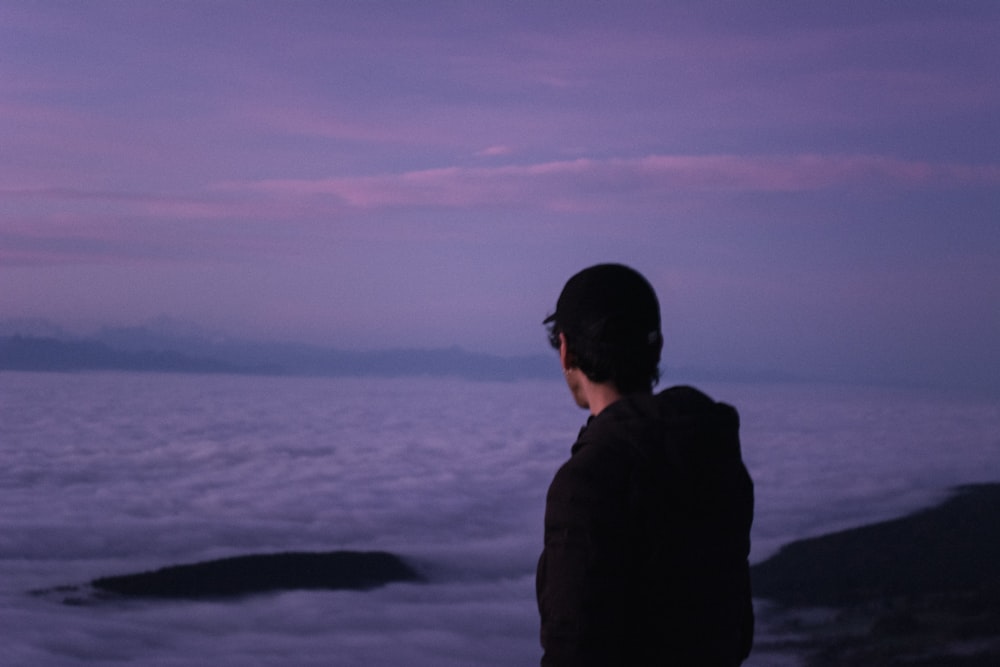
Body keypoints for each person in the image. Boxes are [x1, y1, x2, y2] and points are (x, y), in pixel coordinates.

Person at [536, 263, 754, 666]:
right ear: (656, 347)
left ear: (566, 349)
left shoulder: (587, 482)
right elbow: (736, 629)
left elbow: (573, 651)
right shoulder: (713, 451)